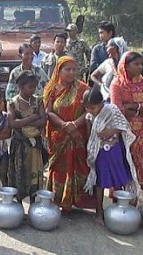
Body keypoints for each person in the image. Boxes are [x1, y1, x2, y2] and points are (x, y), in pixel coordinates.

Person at [83, 87, 142, 225]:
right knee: (100, 182)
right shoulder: (89, 116)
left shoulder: (111, 110)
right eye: (88, 108)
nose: (91, 110)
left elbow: (124, 126)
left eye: (93, 107)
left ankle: (120, 209)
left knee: (119, 180)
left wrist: (109, 131)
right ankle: (99, 212)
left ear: (101, 103)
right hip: (100, 153)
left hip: (114, 151)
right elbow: (90, 135)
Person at [44, 56, 97, 211]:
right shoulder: (51, 89)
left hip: (78, 134)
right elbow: (48, 112)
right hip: (58, 135)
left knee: (79, 165)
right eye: (67, 69)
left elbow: (90, 110)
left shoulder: (83, 88)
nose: (71, 73)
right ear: (59, 71)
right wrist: (64, 125)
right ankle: (60, 199)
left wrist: (74, 124)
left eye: (74, 69)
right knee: (60, 166)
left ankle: (79, 200)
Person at [110, 51, 143, 195]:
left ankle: (139, 192)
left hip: (140, 132)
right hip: (123, 131)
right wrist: (139, 107)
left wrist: (133, 106)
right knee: (122, 160)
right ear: (126, 66)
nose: (140, 67)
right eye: (136, 64)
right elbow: (116, 109)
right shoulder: (117, 84)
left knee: (139, 160)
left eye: (141, 64)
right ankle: (121, 194)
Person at [8, 71, 46, 203]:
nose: (33, 90)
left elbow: (43, 121)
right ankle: (18, 204)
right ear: (20, 86)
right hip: (20, 145)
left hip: (35, 145)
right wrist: (33, 117)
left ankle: (33, 203)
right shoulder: (13, 103)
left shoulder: (38, 101)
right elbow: (12, 123)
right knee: (20, 174)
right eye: (30, 87)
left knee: (34, 174)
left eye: (34, 87)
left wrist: (23, 121)